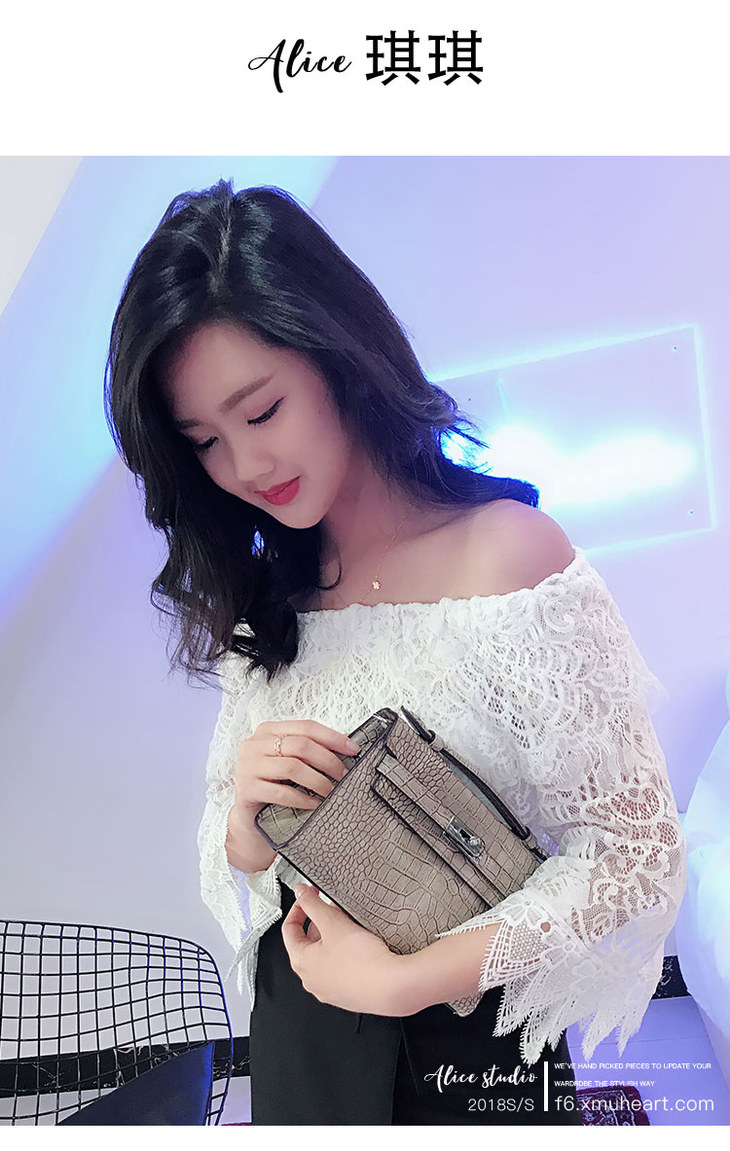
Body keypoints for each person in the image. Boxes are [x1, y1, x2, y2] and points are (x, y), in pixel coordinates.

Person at [104, 179, 686, 1126]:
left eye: (262, 411)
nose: (245, 466)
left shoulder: (509, 557)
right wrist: (248, 818)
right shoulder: (272, 598)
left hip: (464, 1042)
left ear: (340, 357)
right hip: (301, 1041)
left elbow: (633, 854)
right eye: (204, 440)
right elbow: (234, 843)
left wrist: (407, 980)